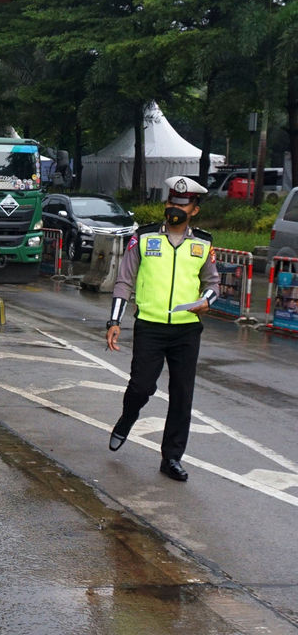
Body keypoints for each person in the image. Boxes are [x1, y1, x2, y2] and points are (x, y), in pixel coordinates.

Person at [106, 175, 219, 482]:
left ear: (194, 209)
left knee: (182, 395)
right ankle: (128, 418)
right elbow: (124, 280)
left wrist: (206, 301)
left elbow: (213, 284)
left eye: (182, 205)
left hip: (186, 331)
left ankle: (171, 457)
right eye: (171, 203)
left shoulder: (203, 243)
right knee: (141, 386)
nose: (175, 209)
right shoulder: (143, 238)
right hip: (150, 327)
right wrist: (115, 320)